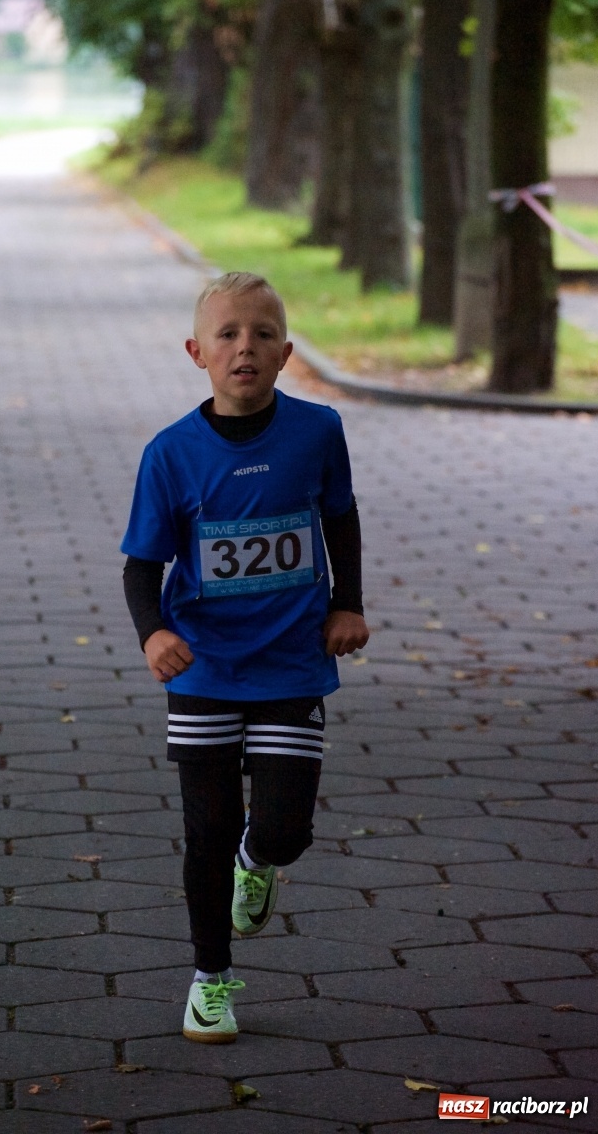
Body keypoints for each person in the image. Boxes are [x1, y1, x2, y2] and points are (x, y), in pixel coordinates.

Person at [121, 271, 370, 1043]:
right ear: (197, 352)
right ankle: (210, 980)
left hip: (292, 662)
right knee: (207, 826)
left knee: (285, 826)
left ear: (287, 352)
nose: (245, 348)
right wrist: (153, 634)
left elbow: (341, 519)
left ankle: (258, 861)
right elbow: (141, 566)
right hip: (204, 670)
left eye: (263, 334)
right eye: (228, 335)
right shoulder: (170, 455)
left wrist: (347, 603)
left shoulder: (318, 431)